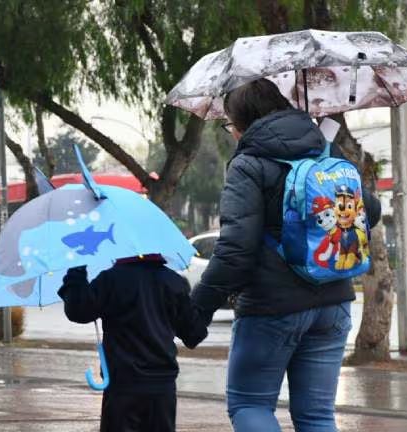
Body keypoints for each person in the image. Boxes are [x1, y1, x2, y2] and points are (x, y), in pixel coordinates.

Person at [192, 79, 381, 432]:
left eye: (230, 125)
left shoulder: (247, 164)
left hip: (271, 307)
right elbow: (370, 210)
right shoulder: (326, 150)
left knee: (250, 404)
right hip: (333, 302)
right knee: (317, 416)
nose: (232, 133)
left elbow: (235, 251)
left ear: (244, 122)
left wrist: (197, 309)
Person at [58, 254, 209, 432]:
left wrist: (77, 270)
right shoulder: (173, 281)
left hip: (122, 387)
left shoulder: (111, 279)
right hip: (162, 389)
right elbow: (194, 334)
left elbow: (78, 310)